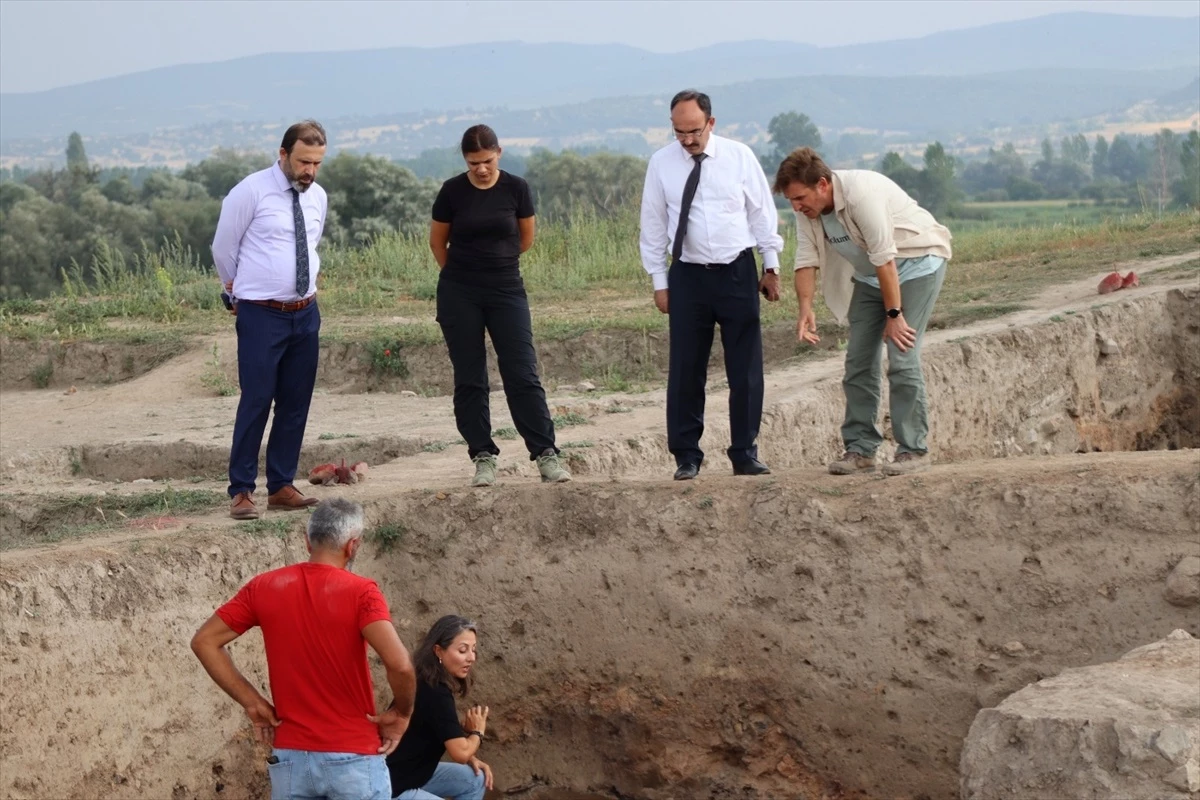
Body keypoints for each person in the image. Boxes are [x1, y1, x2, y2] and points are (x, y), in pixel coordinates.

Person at [191, 498, 417, 800]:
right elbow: (400, 665)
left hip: (290, 757)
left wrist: (253, 703)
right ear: (353, 546)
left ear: (307, 541)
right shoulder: (362, 592)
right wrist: (402, 712)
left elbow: (204, 641)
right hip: (352, 755)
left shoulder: (265, 586)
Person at [773, 147, 952, 476]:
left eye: (800, 198)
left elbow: (885, 257)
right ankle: (860, 449)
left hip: (916, 265)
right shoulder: (808, 212)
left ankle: (913, 450)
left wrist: (894, 316)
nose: (796, 206)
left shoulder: (862, 195)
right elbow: (805, 258)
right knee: (857, 360)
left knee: (901, 355)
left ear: (822, 185)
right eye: (791, 201)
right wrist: (805, 309)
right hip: (872, 275)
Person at [639, 89, 784, 481]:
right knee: (686, 368)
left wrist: (771, 266)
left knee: (746, 368)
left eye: (694, 131)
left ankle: (744, 452)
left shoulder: (739, 157)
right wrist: (659, 280)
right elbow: (652, 225)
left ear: (711, 123)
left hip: (736, 271)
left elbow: (761, 214)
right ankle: (687, 456)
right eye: (679, 132)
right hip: (687, 274)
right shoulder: (661, 164)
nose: (687, 141)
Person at [429, 124, 571, 488]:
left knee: (522, 373)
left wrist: (496, 268)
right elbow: (437, 244)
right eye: (473, 162)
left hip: (507, 290)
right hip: (460, 292)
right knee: (470, 377)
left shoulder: (516, 188)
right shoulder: (451, 192)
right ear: (465, 160)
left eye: (487, 160)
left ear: (499, 154)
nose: (481, 168)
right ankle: (482, 455)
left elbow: (525, 239)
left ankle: (546, 454)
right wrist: (465, 275)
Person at [212, 120, 328, 520]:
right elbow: (223, 247)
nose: (309, 170)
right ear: (283, 155)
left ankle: (280, 485)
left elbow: (311, 244)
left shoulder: (318, 197)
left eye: (316, 162)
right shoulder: (250, 192)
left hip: (305, 312)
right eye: (302, 161)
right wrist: (235, 292)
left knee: (295, 402)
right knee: (257, 398)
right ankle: (242, 490)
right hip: (261, 313)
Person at [386, 615, 493, 800]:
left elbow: (437, 729)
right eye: (463, 650)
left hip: (411, 774)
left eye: (473, 650)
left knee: (475, 780)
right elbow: (460, 753)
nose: (471, 658)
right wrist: (477, 732)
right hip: (394, 788)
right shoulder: (435, 692)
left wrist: (470, 754)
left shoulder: (426, 682)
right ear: (438, 651)